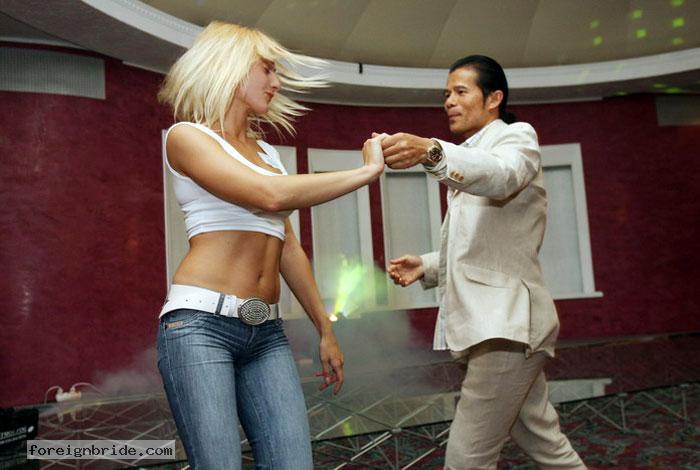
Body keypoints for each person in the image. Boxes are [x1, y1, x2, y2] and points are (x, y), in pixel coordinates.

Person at [156, 22, 385, 469]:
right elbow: (269, 196)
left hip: (266, 332)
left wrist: (325, 329)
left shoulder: (267, 154)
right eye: (267, 69)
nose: (276, 83)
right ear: (231, 69)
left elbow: (288, 248)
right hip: (200, 326)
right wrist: (366, 172)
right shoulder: (186, 137)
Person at [382, 55, 586, 469]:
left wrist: (432, 150)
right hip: (500, 328)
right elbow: (485, 244)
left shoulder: (516, 138)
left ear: (494, 98)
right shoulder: (469, 156)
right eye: (446, 94)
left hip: (507, 327)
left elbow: (502, 176)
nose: (449, 102)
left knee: (466, 460)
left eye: (461, 92)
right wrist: (428, 265)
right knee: (546, 444)